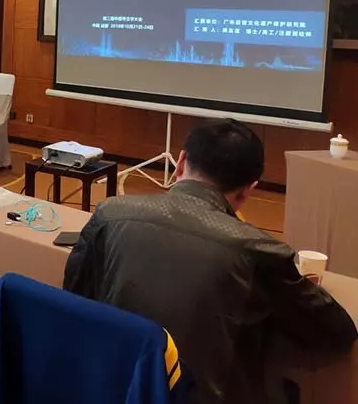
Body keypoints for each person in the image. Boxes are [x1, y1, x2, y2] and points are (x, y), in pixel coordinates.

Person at [63, 118, 357, 404]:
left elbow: (75, 296)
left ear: (180, 162)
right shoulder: (256, 248)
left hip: (111, 387)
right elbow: (337, 332)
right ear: (248, 189)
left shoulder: (109, 213)